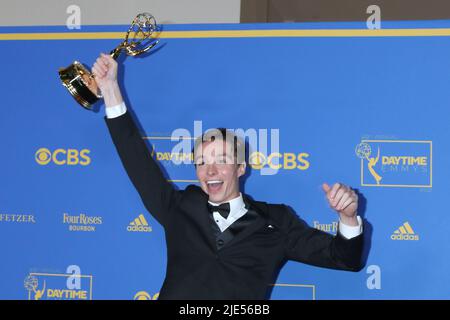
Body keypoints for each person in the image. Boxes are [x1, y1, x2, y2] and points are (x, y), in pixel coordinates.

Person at [92, 53, 364, 300]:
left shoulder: (277, 221)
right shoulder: (179, 207)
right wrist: (110, 88)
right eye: (202, 162)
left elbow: (345, 260)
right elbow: (136, 160)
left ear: (241, 167)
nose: (210, 171)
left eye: (221, 161)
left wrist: (348, 217)